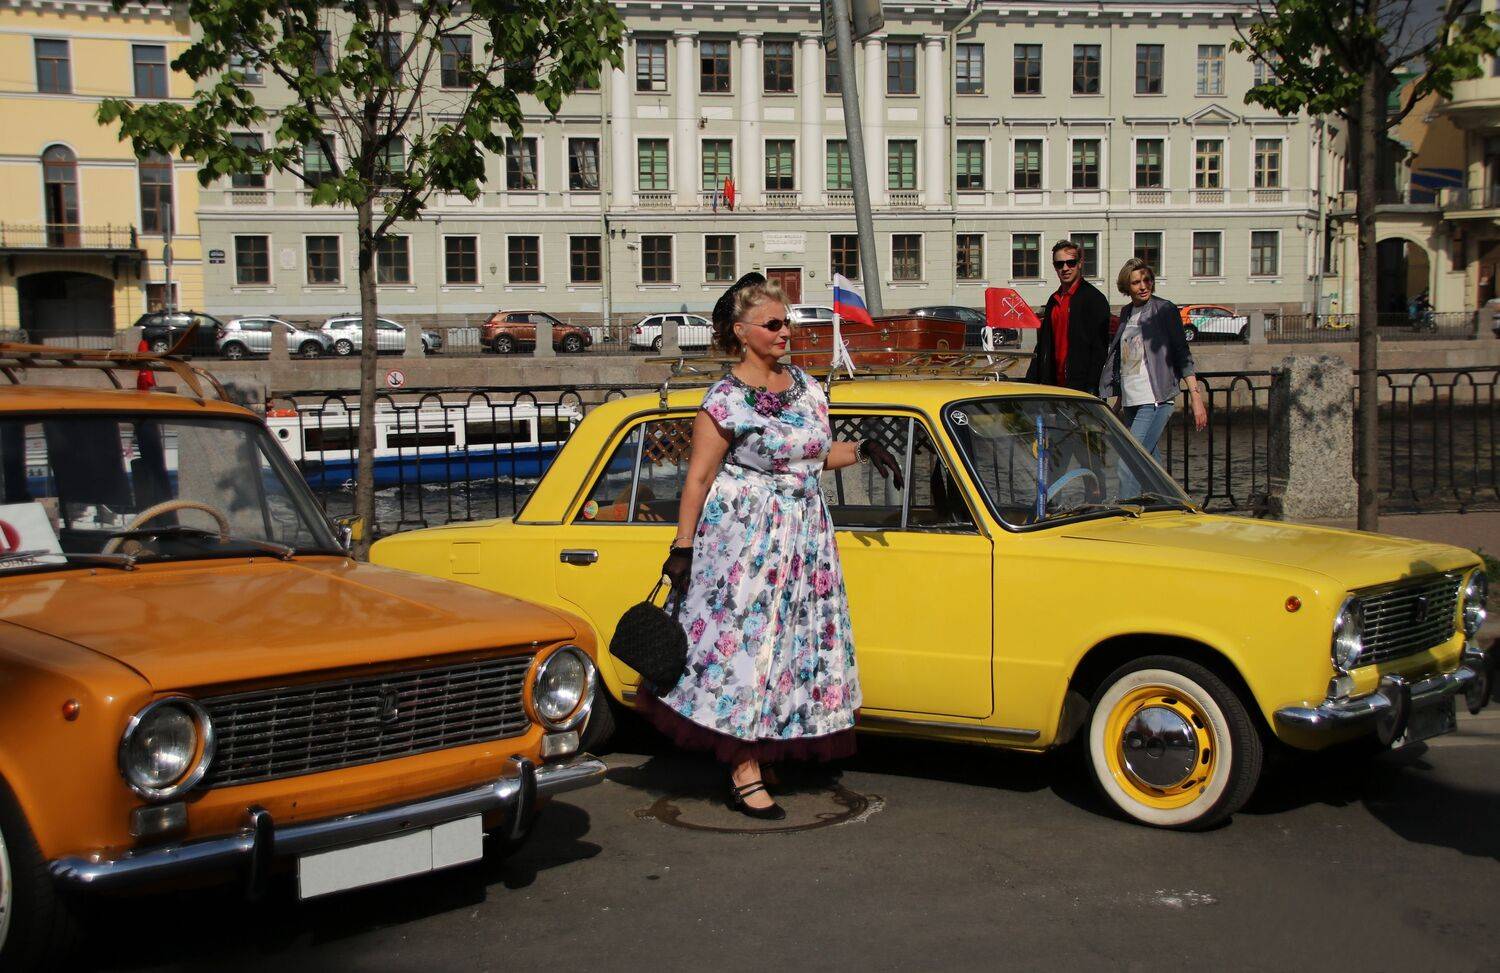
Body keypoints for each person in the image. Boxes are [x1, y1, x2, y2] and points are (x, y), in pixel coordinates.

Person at [638, 272, 903, 820]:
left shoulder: (806, 386)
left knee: (789, 649)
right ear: (741, 331)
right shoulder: (725, 398)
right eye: (774, 324)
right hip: (745, 541)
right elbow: (698, 478)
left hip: (805, 537)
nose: (786, 332)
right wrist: (683, 546)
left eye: (789, 323)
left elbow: (813, 455)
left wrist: (861, 450)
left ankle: (763, 744)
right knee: (744, 647)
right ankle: (742, 766)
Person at [1098, 258, 1206, 498]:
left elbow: (1181, 352)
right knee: (1152, 468)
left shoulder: (1164, 309)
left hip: (1154, 400)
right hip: (1132, 401)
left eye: (1146, 280)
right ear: (1126, 286)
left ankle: (1127, 514)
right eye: (1136, 282)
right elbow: (1128, 361)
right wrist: (1119, 401)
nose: (1143, 286)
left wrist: (1196, 397)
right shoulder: (1127, 312)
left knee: (1129, 464)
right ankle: (1171, 506)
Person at [1025, 240, 1111, 393]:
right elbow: (1043, 345)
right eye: (1059, 264)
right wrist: (1031, 381)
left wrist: (1092, 386)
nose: (1065, 268)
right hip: (1053, 386)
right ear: (1055, 267)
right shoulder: (1053, 300)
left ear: (1080, 263)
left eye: (1070, 263)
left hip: (1081, 387)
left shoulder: (1094, 299)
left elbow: (1100, 349)